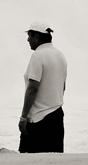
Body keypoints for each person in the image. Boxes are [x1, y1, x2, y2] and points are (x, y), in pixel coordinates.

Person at [18, 21, 67, 153]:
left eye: (29, 35)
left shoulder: (38, 55)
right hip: (56, 116)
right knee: (53, 162)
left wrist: (23, 117)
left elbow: (33, 87)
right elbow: (63, 86)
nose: (28, 39)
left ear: (37, 37)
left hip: (38, 119)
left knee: (28, 162)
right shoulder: (59, 55)